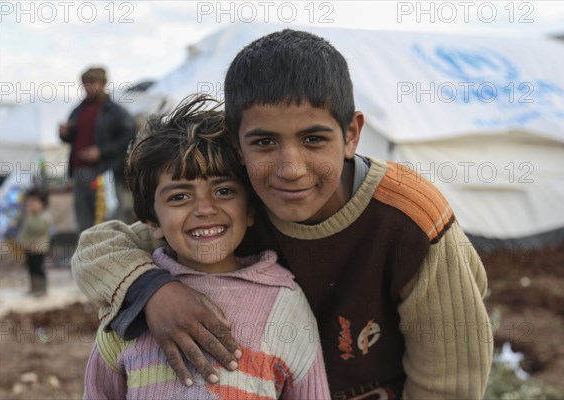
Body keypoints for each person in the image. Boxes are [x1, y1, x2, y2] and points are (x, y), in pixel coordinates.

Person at [72, 30, 493, 399]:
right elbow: (98, 248)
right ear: (237, 145)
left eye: (313, 139)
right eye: (264, 143)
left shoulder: (410, 220)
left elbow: (448, 382)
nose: (290, 169)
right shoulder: (238, 204)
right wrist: (153, 291)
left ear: (351, 135)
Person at [82, 94, 330, 399]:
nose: (204, 209)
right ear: (152, 221)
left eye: (224, 190)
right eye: (179, 197)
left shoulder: (285, 304)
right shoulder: (129, 303)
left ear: (250, 208)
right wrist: (151, 293)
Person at [59, 66, 136, 232]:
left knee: (106, 218)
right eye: (85, 83)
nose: (87, 87)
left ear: (102, 84)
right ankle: (86, 253)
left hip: (104, 173)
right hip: (80, 172)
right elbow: (71, 138)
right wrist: (64, 133)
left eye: (92, 83)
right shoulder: (78, 109)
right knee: (83, 219)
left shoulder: (115, 111)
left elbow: (128, 137)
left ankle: (106, 254)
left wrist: (101, 151)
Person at [16, 186, 52, 296]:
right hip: (28, 247)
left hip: (39, 248)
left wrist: (30, 215)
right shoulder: (27, 215)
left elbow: (36, 228)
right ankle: (33, 287)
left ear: (43, 203)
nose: (31, 204)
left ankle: (41, 288)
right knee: (30, 268)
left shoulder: (44, 217)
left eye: (34, 201)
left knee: (38, 269)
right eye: (29, 201)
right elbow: (24, 230)